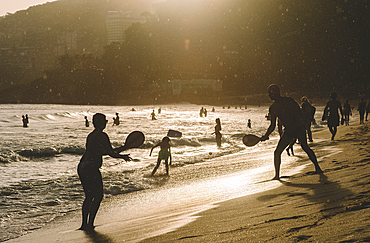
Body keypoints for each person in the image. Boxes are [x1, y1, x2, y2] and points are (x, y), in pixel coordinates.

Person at [77, 113, 131, 231]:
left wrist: (122, 149)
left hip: (82, 166)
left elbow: (104, 151)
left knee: (89, 196)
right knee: (98, 196)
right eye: (105, 121)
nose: (106, 123)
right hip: (91, 167)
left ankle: (83, 224)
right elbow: (111, 153)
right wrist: (123, 155)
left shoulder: (91, 135)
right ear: (102, 123)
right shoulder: (102, 135)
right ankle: (90, 224)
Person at [260, 84, 322, 180]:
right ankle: (318, 168)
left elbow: (272, 126)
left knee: (277, 152)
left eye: (270, 93)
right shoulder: (289, 100)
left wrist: (266, 136)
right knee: (305, 147)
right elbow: (299, 113)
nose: (269, 96)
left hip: (290, 129)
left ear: (274, 93)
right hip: (299, 127)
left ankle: (277, 175)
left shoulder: (273, 108)